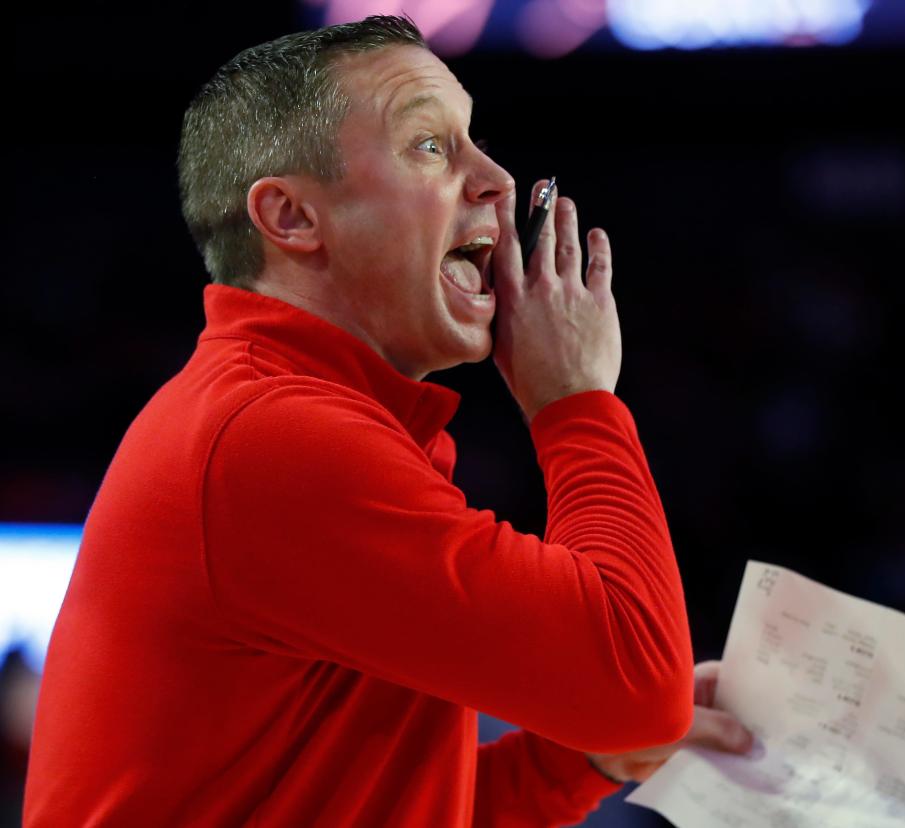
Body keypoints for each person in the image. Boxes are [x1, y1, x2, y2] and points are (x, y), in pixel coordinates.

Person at [23, 14, 753, 827]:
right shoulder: (272, 435)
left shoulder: (299, 416)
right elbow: (638, 692)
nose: (498, 180)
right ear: (292, 218)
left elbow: (392, 806)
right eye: (430, 147)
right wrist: (576, 403)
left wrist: (577, 758)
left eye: (472, 138)